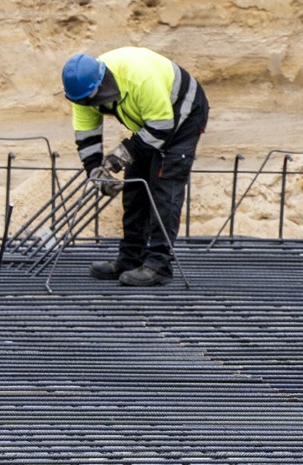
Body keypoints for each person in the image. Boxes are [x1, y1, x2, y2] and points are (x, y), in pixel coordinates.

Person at [61, 47, 209, 287]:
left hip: (184, 113)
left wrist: (122, 155)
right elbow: (87, 134)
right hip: (151, 121)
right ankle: (131, 258)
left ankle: (159, 266)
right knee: (134, 187)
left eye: (91, 99)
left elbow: (162, 126)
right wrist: (95, 171)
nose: (88, 104)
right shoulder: (82, 92)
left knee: (164, 186)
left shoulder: (139, 77)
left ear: (101, 83)